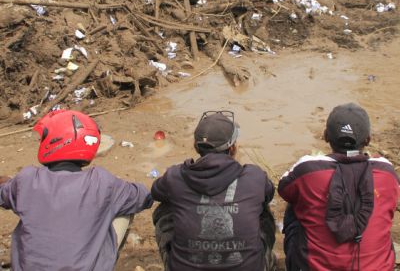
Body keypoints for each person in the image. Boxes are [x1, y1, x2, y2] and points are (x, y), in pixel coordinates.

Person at [0, 110, 153, 271]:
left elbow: (3, 195)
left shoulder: (26, 180)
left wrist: (11, 183)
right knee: (123, 207)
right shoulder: (101, 182)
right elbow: (143, 198)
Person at [279, 103, 400, 271]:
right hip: (377, 267)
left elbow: (283, 189)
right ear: (368, 140)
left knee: (295, 201)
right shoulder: (386, 172)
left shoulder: (308, 168)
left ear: (326, 135)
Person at [151, 111, 276, 271]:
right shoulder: (255, 176)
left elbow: (155, 192)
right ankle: (265, 260)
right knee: (262, 207)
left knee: (165, 207)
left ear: (196, 147)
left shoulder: (175, 176)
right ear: (233, 148)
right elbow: (269, 193)